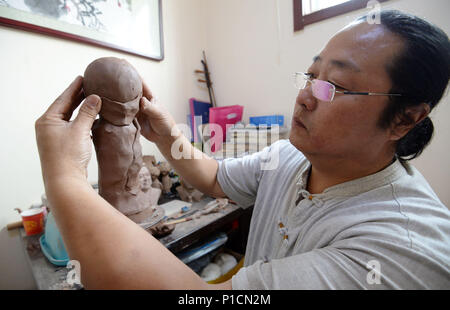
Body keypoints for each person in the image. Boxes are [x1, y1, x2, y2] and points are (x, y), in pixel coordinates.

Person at [35, 10, 450, 289]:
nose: (305, 97)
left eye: (333, 86)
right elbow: (214, 176)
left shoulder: (401, 247)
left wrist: (64, 179)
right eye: (309, 76)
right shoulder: (290, 156)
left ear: (405, 119)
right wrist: (164, 135)